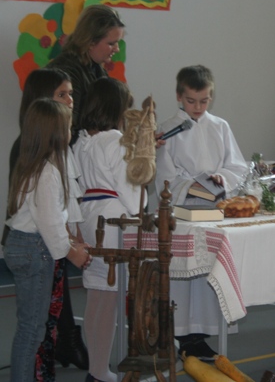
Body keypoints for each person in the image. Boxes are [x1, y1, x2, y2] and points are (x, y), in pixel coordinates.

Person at [155, 65, 248, 360]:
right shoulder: (169, 129)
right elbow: (165, 176)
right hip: (183, 211)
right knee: (183, 275)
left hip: (214, 209)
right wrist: (191, 185)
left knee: (207, 272)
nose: (198, 107)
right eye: (191, 101)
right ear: (179, 96)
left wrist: (221, 177)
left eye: (204, 101)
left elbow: (237, 166)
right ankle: (179, 333)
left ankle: (200, 335)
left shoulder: (220, 126)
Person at [2, 68, 87, 380]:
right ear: (54, 132)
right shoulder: (48, 171)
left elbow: (55, 215)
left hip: (25, 245)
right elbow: (50, 224)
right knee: (32, 330)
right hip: (34, 249)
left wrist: (71, 239)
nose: (70, 132)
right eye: (67, 128)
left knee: (30, 326)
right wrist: (73, 252)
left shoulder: (35, 161)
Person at [73, 78, 141, 382]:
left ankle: (96, 369)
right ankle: (102, 372)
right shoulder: (115, 140)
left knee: (97, 295)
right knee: (111, 296)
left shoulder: (82, 141)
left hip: (88, 217)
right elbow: (132, 193)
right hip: (113, 219)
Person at [47, 4, 125, 127]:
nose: (117, 49)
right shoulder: (65, 72)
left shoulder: (97, 69)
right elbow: (68, 126)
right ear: (91, 42)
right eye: (111, 43)